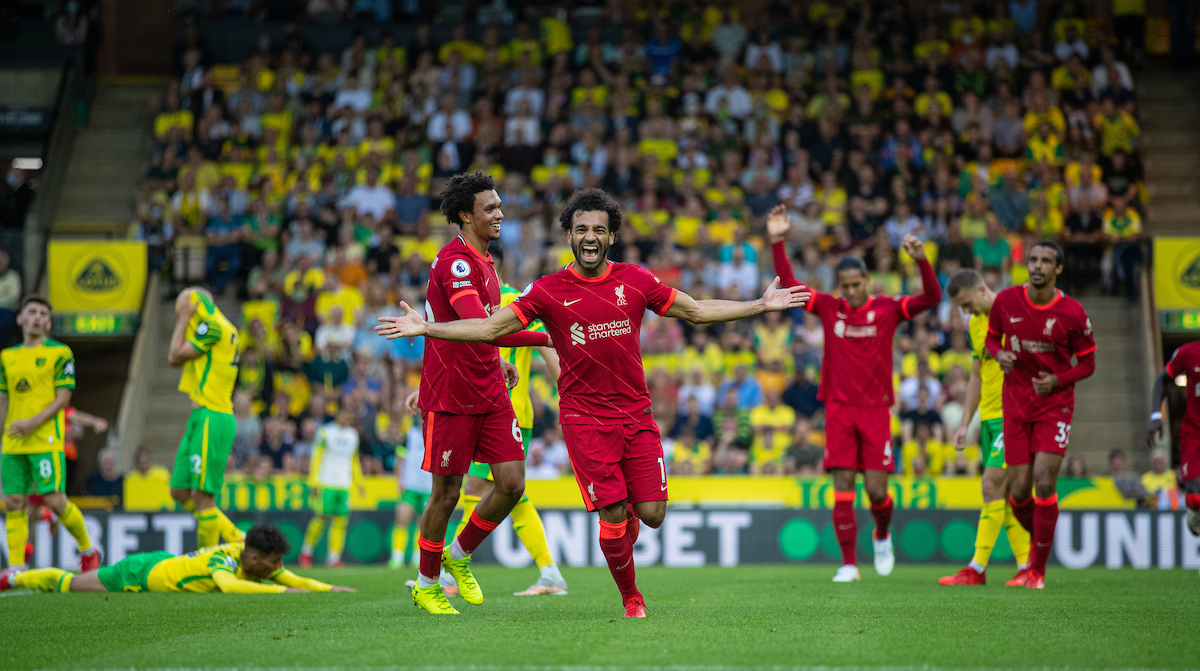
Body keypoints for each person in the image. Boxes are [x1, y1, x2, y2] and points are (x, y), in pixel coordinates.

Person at [378, 188, 809, 617]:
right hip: (583, 418)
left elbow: (695, 310)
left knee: (652, 514)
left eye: (598, 230)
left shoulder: (636, 280)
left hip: (636, 414)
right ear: (568, 235)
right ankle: (631, 599)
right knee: (610, 509)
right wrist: (427, 329)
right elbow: (489, 328)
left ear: (612, 237)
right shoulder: (547, 290)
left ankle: (473, 552)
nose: (589, 237)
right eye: (581, 229)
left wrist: (759, 304)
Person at [377, 172, 549, 616]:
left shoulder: (487, 261)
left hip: (490, 389)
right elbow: (487, 327)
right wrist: (545, 339)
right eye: (490, 208)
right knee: (447, 493)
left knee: (511, 484)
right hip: (450, 393)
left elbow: (483, 331)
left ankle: (459, 553)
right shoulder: (455, 263)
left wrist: (499, 362)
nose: (500, 214)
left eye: (499, 206)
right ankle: (427, 582)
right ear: (465, 215)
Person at [769, 204, 941, 583]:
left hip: (876, 410)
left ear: (867, 281)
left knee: (877, 491)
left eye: (854, 285)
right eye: (843, 287)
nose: (848, 292)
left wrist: (922, 262)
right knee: (843, 485)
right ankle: (848, 563)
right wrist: (778, 241)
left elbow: (931, 298)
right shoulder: (831, 308)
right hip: (840, 410)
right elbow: (790, 284)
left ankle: (881, 533)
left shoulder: (888, 309)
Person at [441, 243, 568, 597]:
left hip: (501, 410)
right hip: (507, 411)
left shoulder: (497, 304)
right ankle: (550, 573)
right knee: (507, 491)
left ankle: (451, 572)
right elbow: (549, 350)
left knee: (481, 490)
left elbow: (545, 346)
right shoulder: (517, 302)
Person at [984, 241, 1096, 589]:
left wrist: (1058, 380)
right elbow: (991, 340)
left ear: (1058, 269)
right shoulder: (1005, 301)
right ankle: (1040, 543)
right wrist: (998, 353)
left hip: (1054, 405)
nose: (1037, 266)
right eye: (1033, 259)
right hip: (1015, 405)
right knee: (1018, 492)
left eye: (1046, 261)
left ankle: (1037, 571)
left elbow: (1089, 363)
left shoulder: (1073, 313)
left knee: (1044, 481)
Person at [938, 269, 1031, 586]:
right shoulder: (978, 325)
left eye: (967, 304)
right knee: (1001, 497)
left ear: (981, 289)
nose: (966, 312)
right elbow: (977, 374)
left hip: (1013, 413)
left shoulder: (1017, 315)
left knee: (992, 485)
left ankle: (976, 569)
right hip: (989, 418)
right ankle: (1026, 567)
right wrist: (965, 422)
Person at [1, 297, 99, 572]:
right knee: (14, 502)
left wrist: (32, 423)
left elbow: (63, 399)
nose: (36, 317)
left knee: (54, 501)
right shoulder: (7, 357)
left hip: (45, 440)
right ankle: (16, 567)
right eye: (31, 311)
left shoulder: (60, 353)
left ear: (48, 322)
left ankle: (88, 549)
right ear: (20, 318)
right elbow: (3, 400)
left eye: (43, 313)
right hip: (12, 442)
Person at [0, 523, 354, 595]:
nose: (278, 569)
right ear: (256, 557)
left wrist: (328, 588)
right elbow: (230, 588)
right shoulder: (226, 563)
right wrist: (285, 594)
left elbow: (293, 578)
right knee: (70, 585)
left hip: (164, 563)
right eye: (274, 562)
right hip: (138, 573)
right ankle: (15, 577)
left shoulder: (254, 561)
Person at [166, 287, 244, 550]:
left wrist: (183, 318)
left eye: (183, 307)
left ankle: (206, 559)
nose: (181, 313)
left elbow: (174, 356)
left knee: (203, 495)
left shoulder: (211, 326)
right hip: (201, 416)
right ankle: (235, 535)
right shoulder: (220, 326)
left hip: (214, 416)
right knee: (179, 491)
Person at [299, 407, 365, 569]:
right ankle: (306, 551)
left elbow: (354, 460)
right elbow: (316, 456)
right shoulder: (325, 432)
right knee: (322, 517)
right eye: (344, 414)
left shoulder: (353, 435)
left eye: (349, 415)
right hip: (326, 481)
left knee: (341, 520)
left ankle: (333, 557)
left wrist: (359, 482)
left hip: (344, 483)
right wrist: (313, 481)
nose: (346, 418)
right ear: (338, 414)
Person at [1148, 339, 1200, 537]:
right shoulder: (1188, 353)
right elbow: (1163, 379)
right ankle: (1194, 511)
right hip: (1194, 434)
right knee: (1195, 497)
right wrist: (1155, 415)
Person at [390, 413, 432, 569]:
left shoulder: (436, 435)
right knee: (402, 519)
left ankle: (417, 557)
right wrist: (399, 479)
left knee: (423, 524)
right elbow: (399, 459)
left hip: (428, 486)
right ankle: (397, 557)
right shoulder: (409, 435)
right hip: (410, 485)